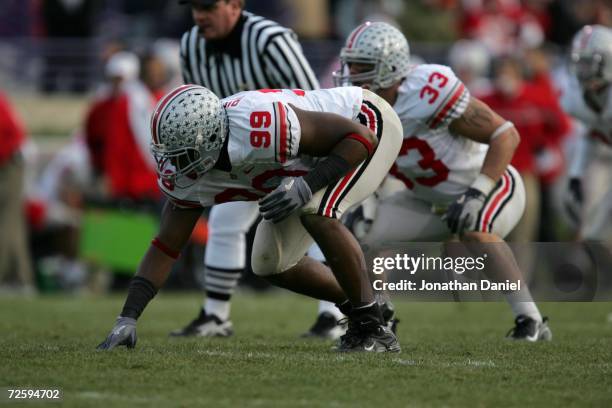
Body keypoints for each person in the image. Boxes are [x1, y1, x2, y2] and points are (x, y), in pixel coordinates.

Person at [96, 84, 403, 352]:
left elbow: (359, 138)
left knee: (317, 211)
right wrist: (128, 317)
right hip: (315, 163)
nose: (174, 166)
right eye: (169, 154)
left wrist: (307, 185)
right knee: (270, 263)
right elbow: (166, 246)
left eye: (183, 154)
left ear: (211, 138)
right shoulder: (188, 176)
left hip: (368, 122)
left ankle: (373, 328)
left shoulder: (258, 124)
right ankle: (367, 304)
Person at [333, 22, 551, 341]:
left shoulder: (427, 91)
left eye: (361, 65)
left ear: (390, 67)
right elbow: (370, 165)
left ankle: (530, 321)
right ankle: (380, 317)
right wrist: (366, 202)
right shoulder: (360, 107)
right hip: (426, 200)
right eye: (349, 64)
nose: (351, 73)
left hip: (488, 184)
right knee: (361, 235)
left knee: (475, 229)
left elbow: (506, 134)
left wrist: (478, 192)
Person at [171, 0, 345, 339]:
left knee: (317, 218)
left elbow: (314, 100)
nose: (199, 15)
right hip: (242, 152)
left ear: (235, 5)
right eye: (194, 6)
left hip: (295, 147)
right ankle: (215, 315)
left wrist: (308, 166)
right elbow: (199, 107)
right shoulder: (191, 44)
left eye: (207, 5)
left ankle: (333, 315)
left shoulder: (270, 40)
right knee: (224, 220)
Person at [562, 25, 612, 242]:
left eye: (591, 63)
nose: (585, 71)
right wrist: (575, 176)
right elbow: (592, 133)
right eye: (581, 63)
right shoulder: (579, 99)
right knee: (593, 236)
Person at [0, 91, 34, 292]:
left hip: (9, 164)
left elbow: (13, 135)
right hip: (7, 161)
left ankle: (14, 277)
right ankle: (20, 277)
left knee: (8, 222)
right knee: (12, 223)